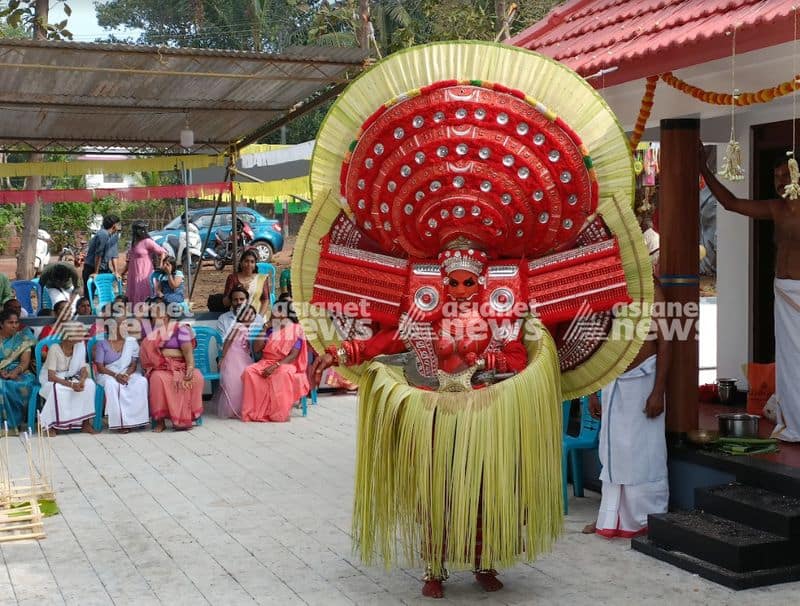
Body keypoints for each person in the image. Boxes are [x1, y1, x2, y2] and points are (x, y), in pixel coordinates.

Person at [699, 144, 800, 441]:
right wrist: (704, 169)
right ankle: (793, 424)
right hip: (784, 291)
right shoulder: (775, 208)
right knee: (789, 359)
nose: (780, 181)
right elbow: (730, 204)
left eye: (785, 174)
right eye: (776, 176)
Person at [583, 282, 671, 538]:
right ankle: (609, 517)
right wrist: (593, 390)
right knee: (613, 454)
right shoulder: (612, 287)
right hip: (613, 379)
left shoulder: (654, 292)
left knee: (643, 451)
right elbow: (597, 341)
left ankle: (646, 518)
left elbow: (665, 344)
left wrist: (658, 392)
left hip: (644, 381)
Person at [241, 295, 308, 422]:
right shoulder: (270, 329)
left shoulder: (296, 329)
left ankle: (277, 413)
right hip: (265, 361)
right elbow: (256, 349)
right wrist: (264, 328)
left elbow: (293, 355)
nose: (272, 313)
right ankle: (256, 411)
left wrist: (276, 365)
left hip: (286, 363)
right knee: (249, 371)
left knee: (282, 374)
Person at [140, 302, 203, 431]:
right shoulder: (152, 336)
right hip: (161, 368)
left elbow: (187, 352)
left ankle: (188, 416)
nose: (158, 317)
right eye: (154, 316)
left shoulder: (181, 329)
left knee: (196, 376)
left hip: (183, 365)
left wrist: (190, 367)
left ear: (168, 315)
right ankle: (160, 421)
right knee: (157, 379)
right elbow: (150, 357)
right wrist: (168, 353)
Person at [38, 322, 97, 435]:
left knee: (90, 385)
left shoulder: (80, 346)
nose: (83, 335)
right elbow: (51, 376)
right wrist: (72, 385)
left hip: (71, 377)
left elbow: (83, 368)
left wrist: (82, 380)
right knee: (57, 389)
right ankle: (51, 425)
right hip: (52, 379)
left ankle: (85, 423)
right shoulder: (55, 349)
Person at [93, 318, 149, 433]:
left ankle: (138, 420)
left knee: (141, 381)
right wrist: (116, 375)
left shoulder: (131, 342)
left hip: (127, 372)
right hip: (107, 373)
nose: (126, 327)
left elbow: (133, 365)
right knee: (112, 385)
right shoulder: (102, 344)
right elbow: (100, 367)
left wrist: (126, 374)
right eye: (122, 325)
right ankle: (120, 423)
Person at [215, 304, 258, 419]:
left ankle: (242, 406)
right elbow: (228, 340)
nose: (249, 316)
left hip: (242, 355)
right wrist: (223, 357)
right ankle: (232, 409)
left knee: (242, 381)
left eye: (251, 314)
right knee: (234, 382)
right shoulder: (238, 326)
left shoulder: (246, 328)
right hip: (234, 356)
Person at [0, 309, 36, 431]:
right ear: (1, 324)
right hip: (1, 371)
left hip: (20, 372)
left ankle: (13, 424)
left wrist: (14, 372)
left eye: (16, 322)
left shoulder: (23, 338)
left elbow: (25, 362)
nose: (15, 325)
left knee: (12, 385)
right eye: (10, 322)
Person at [122, 221, 166, 304]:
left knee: (144, 295)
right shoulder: (133, 243)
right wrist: (122, 273)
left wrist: (160, 266)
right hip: (133, 275)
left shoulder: (147, 241)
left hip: (145, 274)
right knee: (134, 296)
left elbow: (163, 252)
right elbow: (129, 261)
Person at [223, 249, 271, 317]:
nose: (249, 264)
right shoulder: (233, 278)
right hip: (236, 317)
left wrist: (259, 317)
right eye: (246, 261)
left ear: (255, 265)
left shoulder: (261, 279)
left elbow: (266, 300)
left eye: (252, 262)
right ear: (241, 263)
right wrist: (239, 288)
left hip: (256, 316)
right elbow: (225, 302)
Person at [83, 214, 121, 294]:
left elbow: (114, 254)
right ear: (114, 225)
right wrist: (96, 272)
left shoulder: (114, 235)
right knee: (90, 294)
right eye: (118, 224)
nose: (120, 226)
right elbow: (98, 254)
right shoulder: (103, 234)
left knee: (106, 293)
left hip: (104, 268)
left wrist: (116, 271)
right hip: (92, 267)